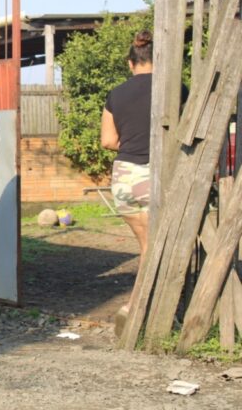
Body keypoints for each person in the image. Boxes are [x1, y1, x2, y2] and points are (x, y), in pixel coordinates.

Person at [100, 30, 187, 337]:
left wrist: (131, 138)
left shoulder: (116, 94)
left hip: (124, 177)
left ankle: (146, 310)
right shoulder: (176, 89)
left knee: (147, 246)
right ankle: (136, 310)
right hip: (154, 175)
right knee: (152, 248)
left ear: (130, 63)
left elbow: (108, 141)